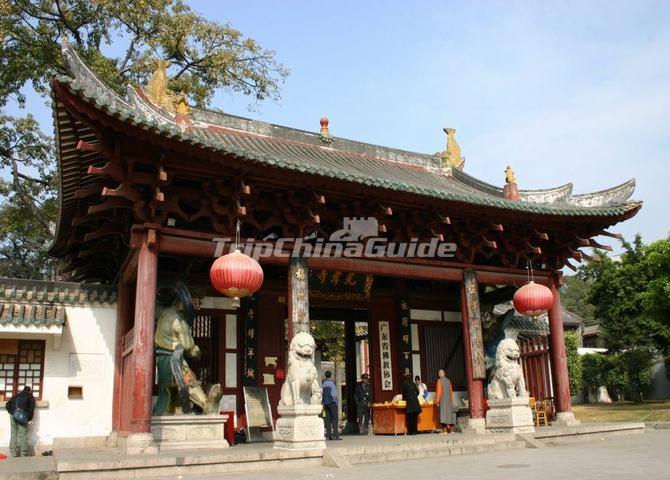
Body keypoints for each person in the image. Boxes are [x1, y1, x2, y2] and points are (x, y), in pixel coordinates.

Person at [6, 386, 36, 457]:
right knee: (23, 434)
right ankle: (23, 453)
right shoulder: (30, 397)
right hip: (22, 417)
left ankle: (13, 452)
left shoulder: (16, 396)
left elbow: (7, 405)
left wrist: (12, 412)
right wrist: (28, 419)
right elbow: (31, 409)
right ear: (30, 391)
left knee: (13, 433)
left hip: (13, 415)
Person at [322, 371, 341, 440]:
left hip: (326, 404)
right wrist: (336, 401)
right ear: (331, 375)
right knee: (335, 419)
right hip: (332, 403)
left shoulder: (323, 384)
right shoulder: (332, 383)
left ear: (325, 376)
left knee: (327, 419)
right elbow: (333, 394)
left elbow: (322, 394)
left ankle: (328, 435)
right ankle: (335, 434)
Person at [435, 369, 454, 433]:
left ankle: (445, 431)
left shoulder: (439, 381)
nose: (440, 374)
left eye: (440, 373)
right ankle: (452, 430)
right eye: (439, 373)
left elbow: (439, 392)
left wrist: (437, 401)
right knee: (449, 415)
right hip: (449, 401)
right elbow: (451, 391)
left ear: (443, 374)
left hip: (443, 401)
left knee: (443, 415)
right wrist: (451, 399)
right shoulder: (448, 381)